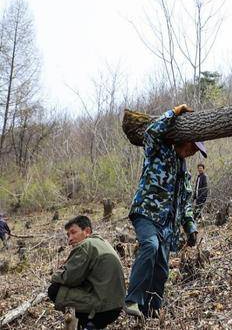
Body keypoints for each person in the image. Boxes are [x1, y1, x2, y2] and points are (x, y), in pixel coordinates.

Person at [123, 104, 206, 318]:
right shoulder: (159, 150)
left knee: (161, 268)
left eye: (195, 150)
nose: (192, 152)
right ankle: (133, 300)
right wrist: (173, 112)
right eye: (192, 147)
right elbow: (151, 132)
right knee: (149, 246)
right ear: (184, 139)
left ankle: (152, 310)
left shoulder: (184, 172)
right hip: (146, 214)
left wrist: (190, 227)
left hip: (168, 227)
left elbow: (185, 202)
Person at [48, 215, 125, 329]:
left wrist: (55, 275)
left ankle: (87, 323)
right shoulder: (102, 243)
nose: (70, 239)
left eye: (73, 232)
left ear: (87, 231)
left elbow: (69, 278)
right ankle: (85, 323)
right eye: (68, 235)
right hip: (115, 306)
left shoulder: (86, 245)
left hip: (102, 308)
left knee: (54, 290)